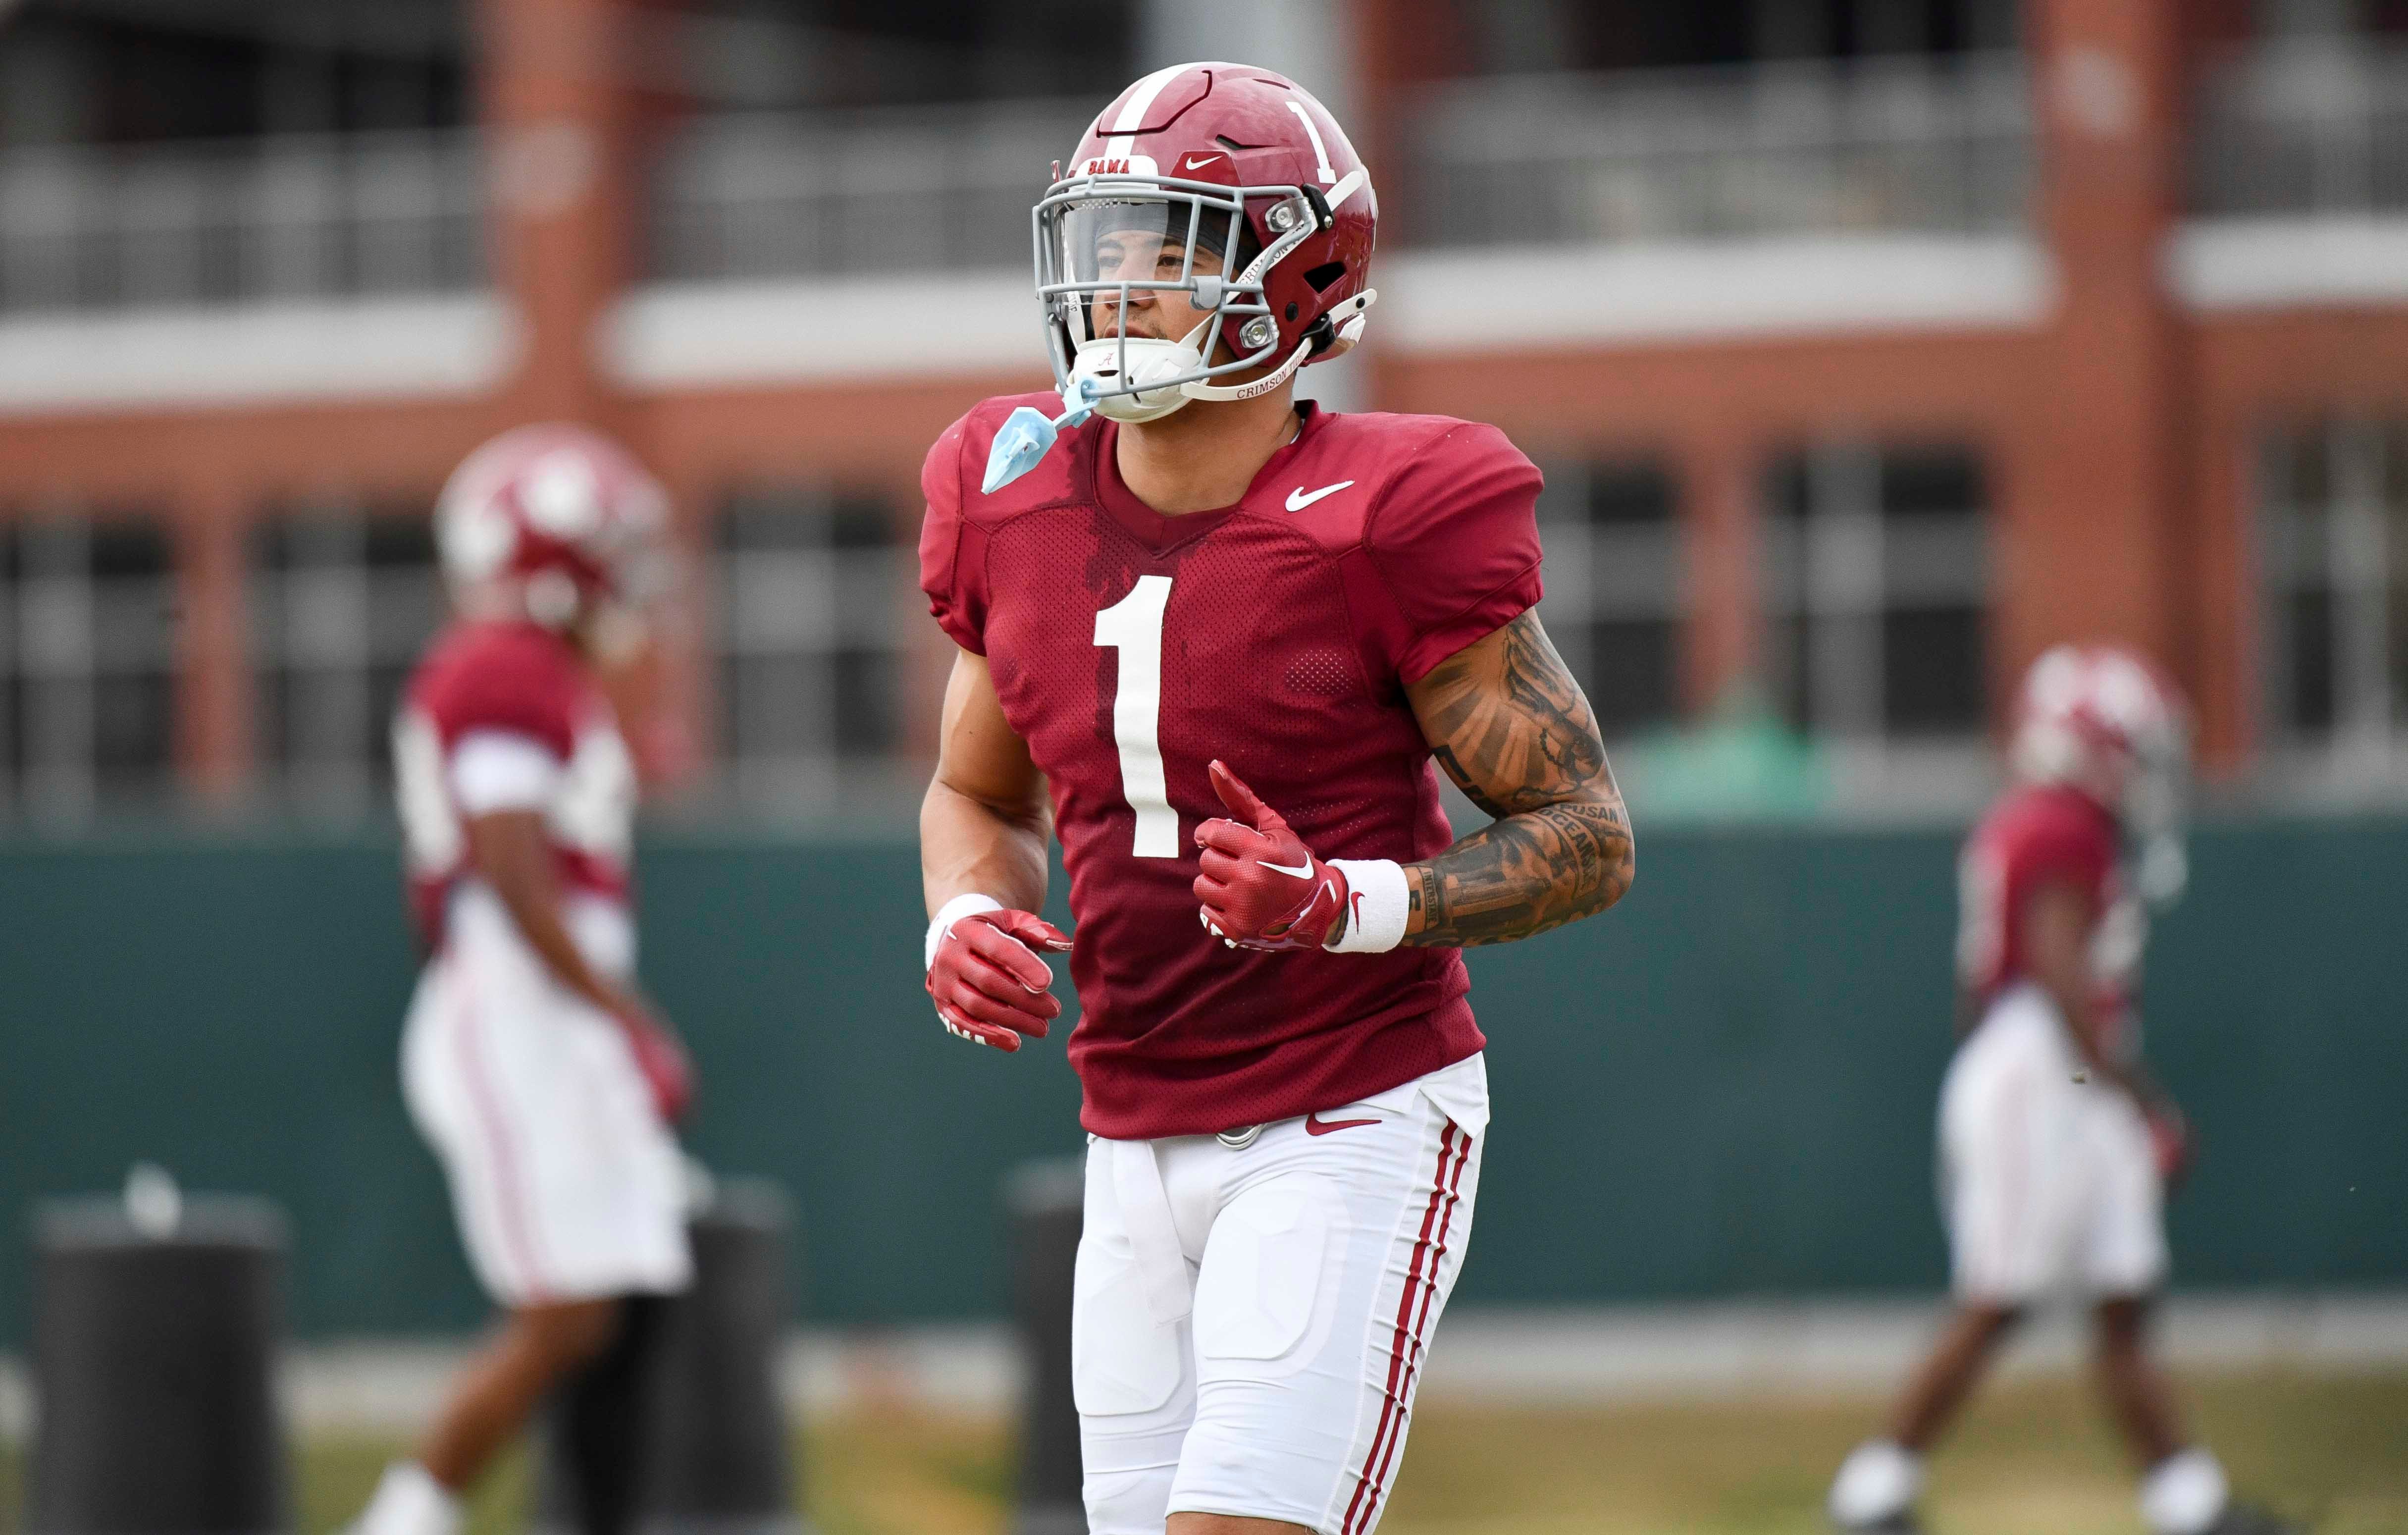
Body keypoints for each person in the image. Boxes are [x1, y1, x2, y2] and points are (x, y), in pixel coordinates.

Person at [916, 62, 1635, 1535]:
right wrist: (967, 906)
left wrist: (1345, 903)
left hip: (1345, 1111)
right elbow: (970, 788)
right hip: (1124, 1133)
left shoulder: (1388, 515)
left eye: (1168, 248)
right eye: (1103, 245)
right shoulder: (1009, 488)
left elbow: (1585, 836)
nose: (1116, 289)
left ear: (1298, 280)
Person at [1827, 645, 2289, 1535]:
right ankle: (1871, 1493)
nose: (2147, 771)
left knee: (2123, 1295)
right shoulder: (2058, 825)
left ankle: (2187, 1503)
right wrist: (2138, 1099)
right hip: (2050, 1069)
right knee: (1999, 1296)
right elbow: (2056, 972)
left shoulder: (2036, 819)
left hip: (2052, 1064)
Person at [348, 424, 696, 1535]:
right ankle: (405, 1516)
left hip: (553, 1010)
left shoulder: (542, 670)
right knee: (567, 1306)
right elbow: (506, 860)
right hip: (516, 1009)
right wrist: (623, 1018)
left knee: (628, 1289)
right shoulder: (502, 662)